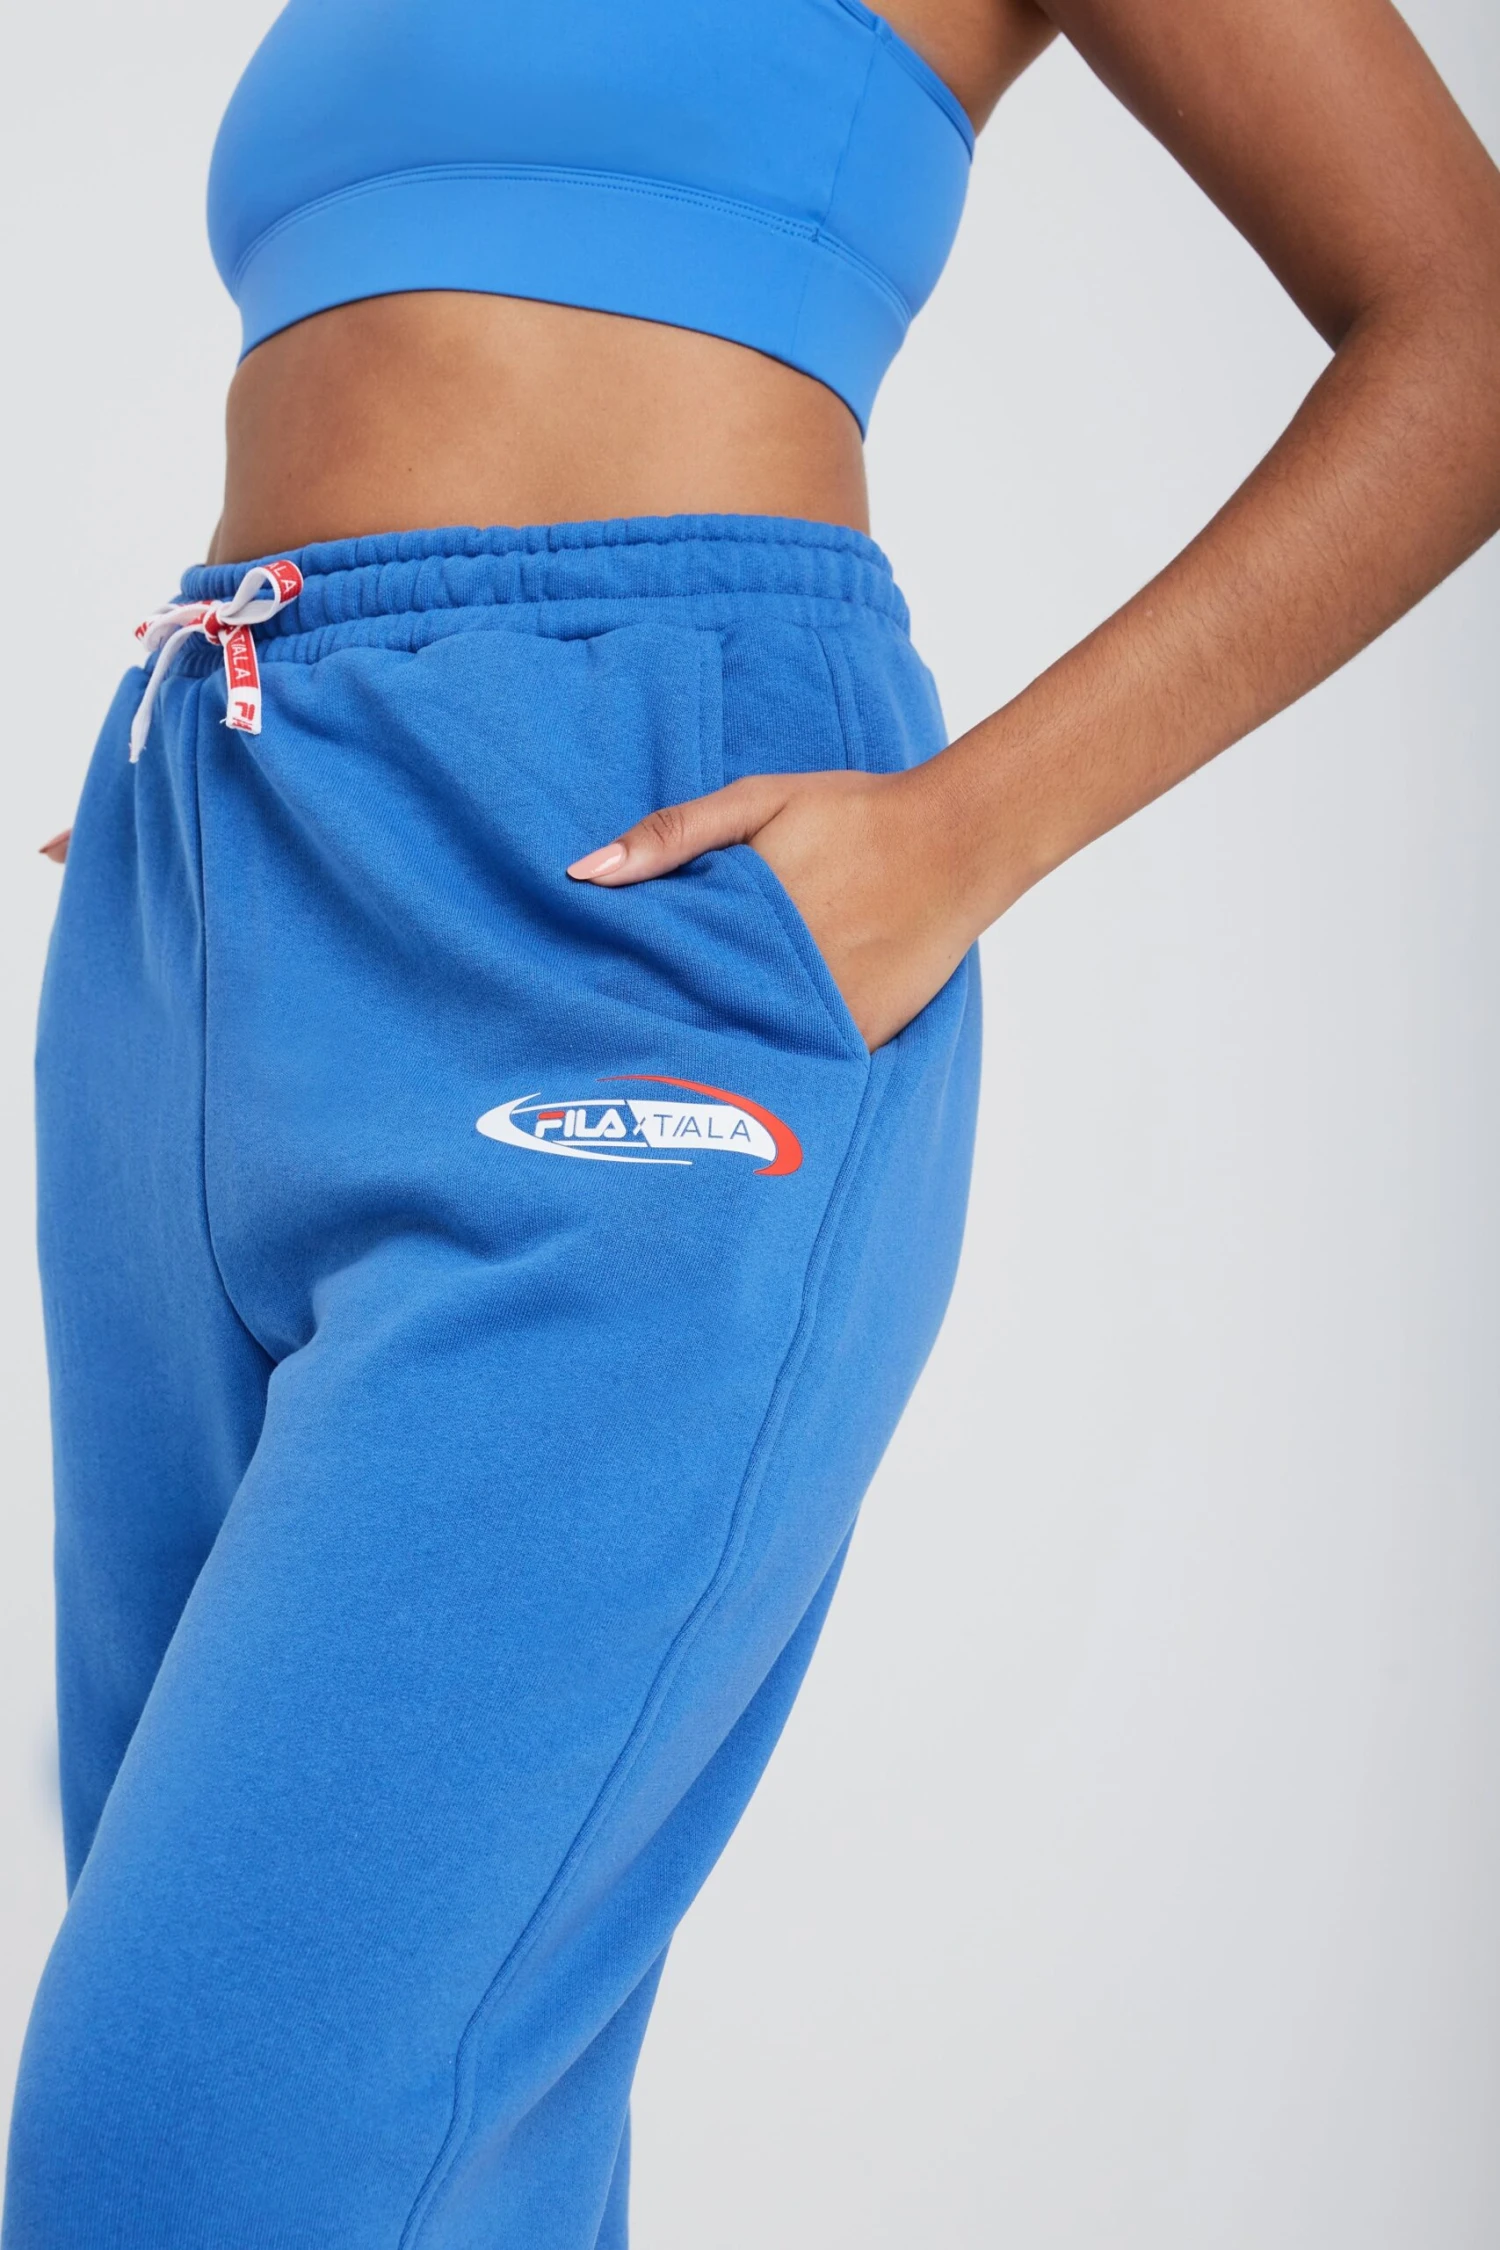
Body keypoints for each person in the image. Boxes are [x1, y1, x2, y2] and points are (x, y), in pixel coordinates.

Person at [7, 0, 1499, 2243]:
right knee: (393, 2147)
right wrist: (268, 803)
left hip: (639, 910)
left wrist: (970, 831)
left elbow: (1469, 322)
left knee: (193, 2153)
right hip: (204, 890)